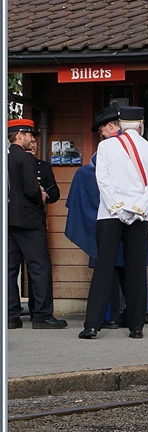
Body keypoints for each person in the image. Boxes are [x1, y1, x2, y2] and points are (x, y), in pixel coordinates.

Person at [65, 103, 148, 330]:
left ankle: (92, 326)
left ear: (118, 124)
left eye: (102, 129)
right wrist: (136, 210)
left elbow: (102, 181)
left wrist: (117, 208)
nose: (101, 133)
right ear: (141, 124)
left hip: (109, 215)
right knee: (136, 273)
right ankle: (136, 328)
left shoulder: (105, 148)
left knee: (103, 271)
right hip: (138, 217)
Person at [7, 119, 68, 329]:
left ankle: (10, 316)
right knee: (39, 266)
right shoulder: (24, 159)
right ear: (19, 136)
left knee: (8, 269)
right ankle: (41, 314)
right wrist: (41, 196)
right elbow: (32, 190)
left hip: (8, 220)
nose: (32, 139)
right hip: (28, 220)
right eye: (29, 135)